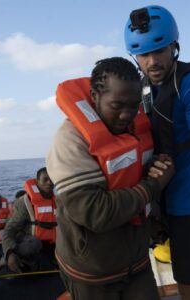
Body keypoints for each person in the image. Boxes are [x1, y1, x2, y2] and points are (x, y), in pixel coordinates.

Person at [124, 6, 190, 300]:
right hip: (161, 205)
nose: (152, 60)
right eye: (143, 54)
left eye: (159, 50)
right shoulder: (143, 90)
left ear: (174, 46)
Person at [46, 57, 174, 300]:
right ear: (94, 96)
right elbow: (94, 212)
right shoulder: (69, 141)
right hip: (93, 274)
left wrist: (160, 166)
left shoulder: (134, 129)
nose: (126, 115)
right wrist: (154, 185)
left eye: (134, 105)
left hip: (137, 263)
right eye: (117, 105)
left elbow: (136, 175)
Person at [2, 167, 57, 273]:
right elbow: (9, 231)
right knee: (35, 243)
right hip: (29, 243)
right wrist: (9, 253)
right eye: (45, 179)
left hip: (50, 243)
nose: (49, 182)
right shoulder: (24, 203)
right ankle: (0, 264)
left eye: (51, 179)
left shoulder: (57, 201)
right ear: (37, 182)